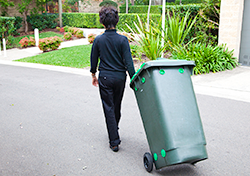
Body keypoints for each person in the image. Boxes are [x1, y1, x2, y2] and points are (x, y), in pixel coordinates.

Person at [90, 6, 135, 152]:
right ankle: (114, 129)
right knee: (116, 105)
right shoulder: (123, 40)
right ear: (116, 20)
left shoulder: (98, 40)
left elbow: (93, 59)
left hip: (105, 77)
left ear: (102, 21)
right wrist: (133, 78)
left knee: (108, 108)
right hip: (120, 78)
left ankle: (114, 141)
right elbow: (129, 62)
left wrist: (93, 75)